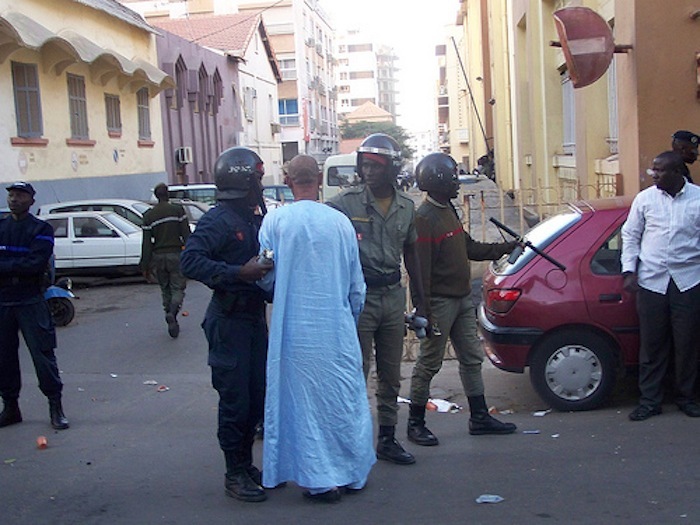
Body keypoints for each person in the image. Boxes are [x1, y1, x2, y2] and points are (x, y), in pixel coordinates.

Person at [257, 154, 375, 503]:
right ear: (320, 180)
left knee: (303, 406)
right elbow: (358, 287)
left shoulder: (275, 223)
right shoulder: (340, 223)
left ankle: (321, 480)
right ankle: (352, 473)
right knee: (342, 400)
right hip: (335, 330)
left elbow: (266, 277)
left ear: (288, 181)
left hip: (293, 333)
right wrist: (346, 321)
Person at [328, 133, 427, 466]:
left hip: (393, 296)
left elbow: (411, 254)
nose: (369, 172)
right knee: (356, 371)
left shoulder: (406, 207)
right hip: (361, 297)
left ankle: (387, 437)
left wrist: (421, 303)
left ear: (392, 169)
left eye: (376, 166)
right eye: (365, 165)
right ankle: (351, 440)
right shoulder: (345, 203)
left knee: (390, 373)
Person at [180, 147, 273, 502]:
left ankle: (246, 465)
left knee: (255, 398)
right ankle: (234, 472)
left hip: (252, 320)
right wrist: (239, 273)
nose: (262, 185)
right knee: (235, 400)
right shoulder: (218, 220)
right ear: (243, 180)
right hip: (228, 321)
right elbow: (190, 262)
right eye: (258, 179)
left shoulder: (251, 218)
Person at [406, 153, 517, 446]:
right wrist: (424, 311)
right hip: (440, 304)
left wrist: (505, 248)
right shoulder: (424, 219)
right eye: (453, 177)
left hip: (462, 299)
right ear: (438, 181)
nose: (458, 181)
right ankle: (415, 423)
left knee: (471, 357)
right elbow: (420, 271)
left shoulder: (448, 209)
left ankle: (479, 417)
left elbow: (468, 246)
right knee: (429, 363)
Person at [621, 151, 700, 421]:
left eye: (660, 170)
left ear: (677, 172)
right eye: (653, 169)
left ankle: (687, 398)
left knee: (687, 344)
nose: (653, 174)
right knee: (652, 345)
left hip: (688, 281)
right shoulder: (645, 200)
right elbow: (630, 236)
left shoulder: (698, 200)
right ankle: (649, 401)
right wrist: (629, 271)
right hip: (651, 282)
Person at [0, 182, 69, 430]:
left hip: (30, 300)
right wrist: (15, 267)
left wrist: (7, 267)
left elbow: (36, 263)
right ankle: (10, 407)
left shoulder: (40, 228)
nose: (14, 199)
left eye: (20, 195)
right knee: (4, 358)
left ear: (31, 201)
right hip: (4, 300)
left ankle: (55, 405)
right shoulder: (2, 227)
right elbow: (24, 263)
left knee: (42, 354)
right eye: (11, 195)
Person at [140, 183, 190, 338]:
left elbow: (146, 243)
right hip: (176, 254)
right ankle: (173, 311)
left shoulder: (149, 216)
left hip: (158, 257)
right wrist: (192, 254)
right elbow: (187, 234)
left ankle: (169, 313)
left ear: (156, 196)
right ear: (167, 194)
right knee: (178, 287)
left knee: (165, 288)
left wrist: (144, 265)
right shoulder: (177, 211)